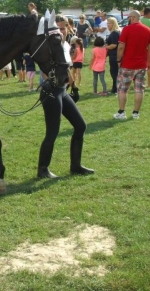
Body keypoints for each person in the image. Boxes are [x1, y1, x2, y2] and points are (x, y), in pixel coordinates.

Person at [37, 14, 93, 179]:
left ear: (68, 27)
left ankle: (75, 166)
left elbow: (65, 68)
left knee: (80, 126)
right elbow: (44, 70)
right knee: (52, 133)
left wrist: (73, 87)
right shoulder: (50, 46)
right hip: (51, 92)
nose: (61, 31)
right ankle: (42, 170)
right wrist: (50, 82)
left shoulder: (66, 45)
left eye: (63, 28)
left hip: (63, 91)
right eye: (58, 28)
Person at [113, 10, 150, 120]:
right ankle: (136, 112)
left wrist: (118, 60)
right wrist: (148, 62)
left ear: (132, 17)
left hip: (127, 64)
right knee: (139, 89)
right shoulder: (148, 30)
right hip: (141, 64)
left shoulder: (127, 29)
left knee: (122, 89)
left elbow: (121, 47)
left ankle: (121, 112)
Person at [105, 17, 121, 94]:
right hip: (113, 54)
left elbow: (114, 45)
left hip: (114, 55)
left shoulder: (115, 33)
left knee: (114, 72)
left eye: (109, 23)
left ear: (113, 24)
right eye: (107, 23)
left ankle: (116, 89)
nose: (108, 25)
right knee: (114, 72)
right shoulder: (114, 32)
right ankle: (114, 88)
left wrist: (105, 47)